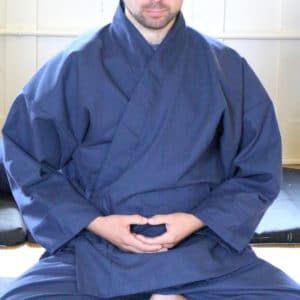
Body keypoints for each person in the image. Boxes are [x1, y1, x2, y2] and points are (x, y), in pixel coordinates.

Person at [1, 0, 300, 299]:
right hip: (96, 250)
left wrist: (196, 221)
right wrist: (97, 224)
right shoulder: (75, 64)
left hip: (203, 249)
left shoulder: (227, 68)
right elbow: (24, 155)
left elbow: (258, 169)